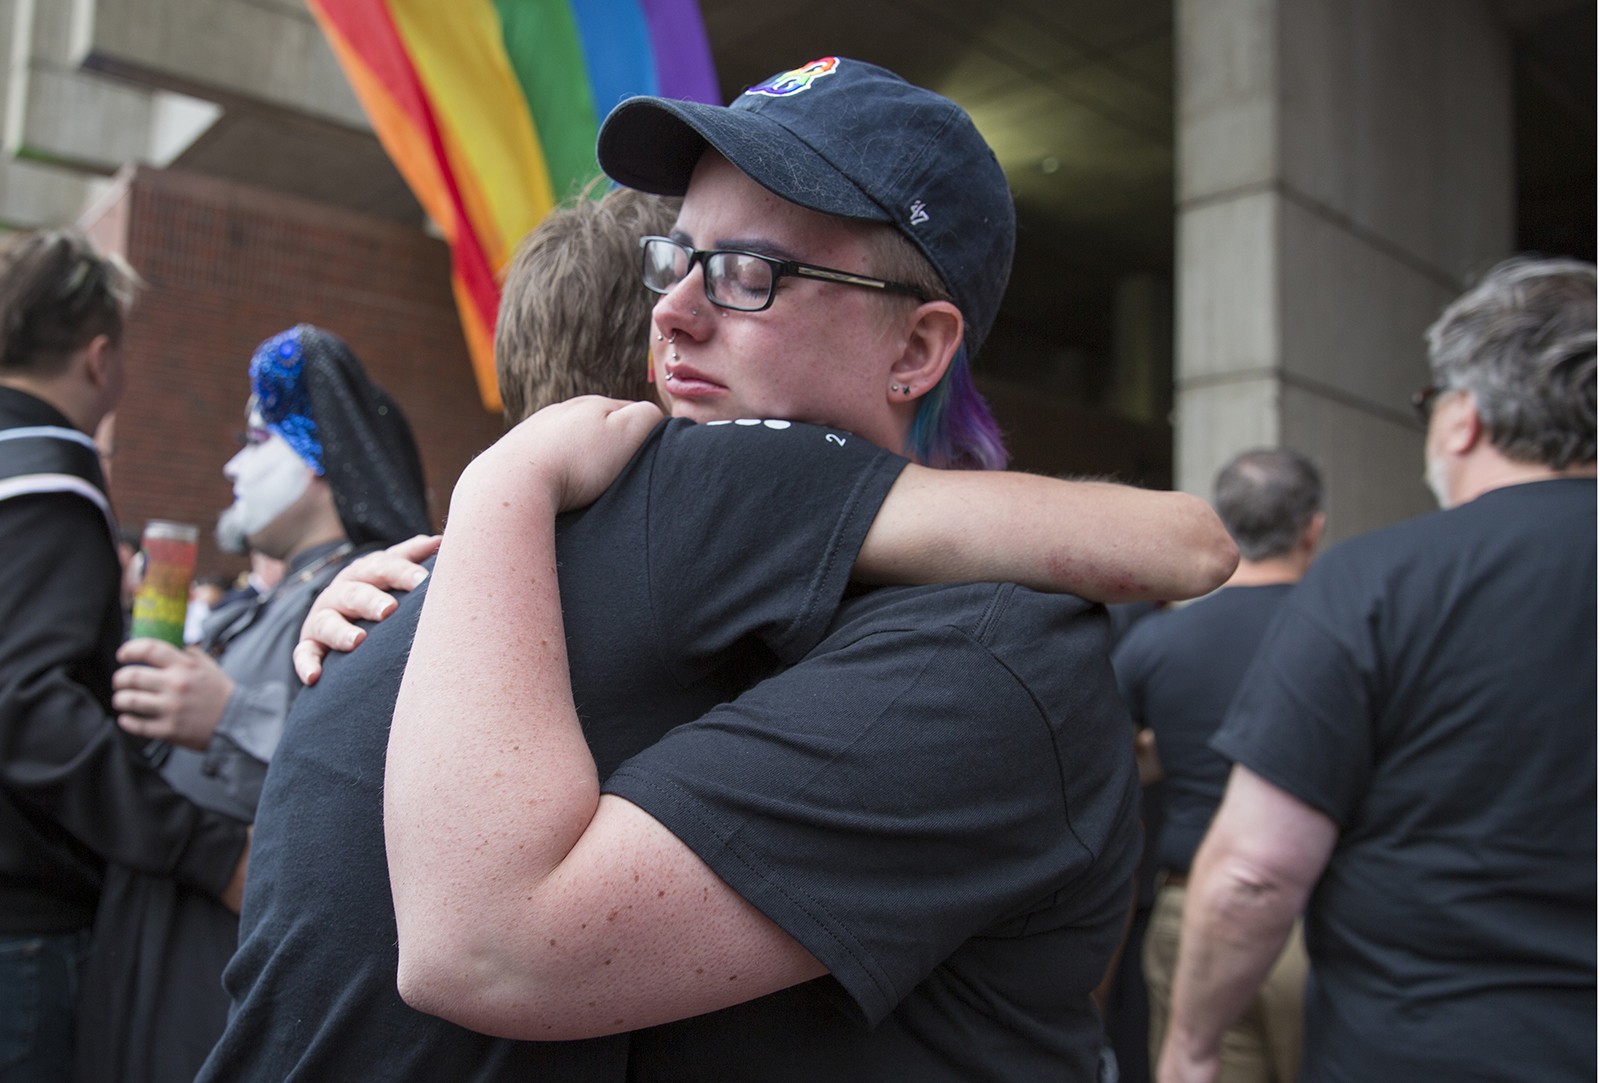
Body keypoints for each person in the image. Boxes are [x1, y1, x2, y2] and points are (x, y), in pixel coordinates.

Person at [201, 170, 1233, 1080]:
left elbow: (1185, 545)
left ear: (918, 345)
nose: (679, 312)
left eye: (750, 273)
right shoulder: (571, 548)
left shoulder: (684, 505)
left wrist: (497, 494)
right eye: (676, 263)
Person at [1157, 256, 1596, 1083]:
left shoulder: (1378, 582)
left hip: (1418, 1048)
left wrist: (1191, 1044)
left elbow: (1255, 871)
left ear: (1462, 418)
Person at [74, 325, 431, 1083]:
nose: (233, 462)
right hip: (144, 957)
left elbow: (390, 786)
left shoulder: (373, 607)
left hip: (215, 977)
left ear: (319, 458)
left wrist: (230, 712)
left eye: (258, 435)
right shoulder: (258, 603)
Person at [0, 228, 249, 1081]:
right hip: (22, 929)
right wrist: (206, 849)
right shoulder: (51, 485)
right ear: (101, 357)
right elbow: (29, 708)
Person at [1114, 448, 1325, 1083]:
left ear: (1225, 524)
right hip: (1321, 912)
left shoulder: (1156, 641)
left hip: (1193, 912)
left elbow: (1104, 767)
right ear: (1312, 527)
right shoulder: (1346, 628)